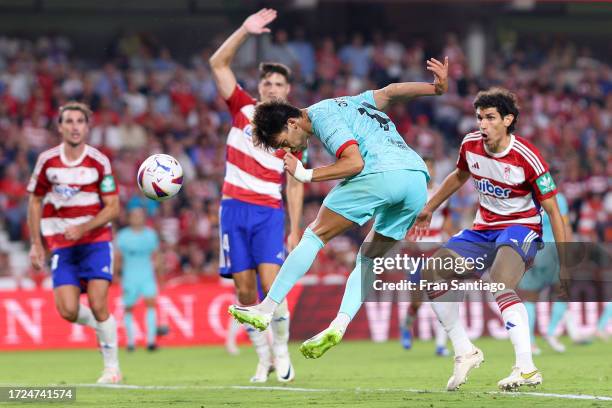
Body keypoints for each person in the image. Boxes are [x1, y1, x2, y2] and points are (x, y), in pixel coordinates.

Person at [229, 56, 450, 360]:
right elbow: (391, 91)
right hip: (415, 181)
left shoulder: (322, 117)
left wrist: (306, 174)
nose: (290, 148)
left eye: (285, 140)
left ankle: (266, 309)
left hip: (380, 173)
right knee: (369, 260)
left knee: (314, 235)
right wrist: (434, 89)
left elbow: (354, 163)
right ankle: (339, 324)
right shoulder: (351, 102)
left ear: (293, 122)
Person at [410, 87, 566, 391]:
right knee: (431, 274)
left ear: (508, 120)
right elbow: (458, 175)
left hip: (521, 228)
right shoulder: (470, 145)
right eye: (479, 117)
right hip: (483, 229)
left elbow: (554, 211)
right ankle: (465, 350)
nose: (482, 124)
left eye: (490, 118)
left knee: (499, 282)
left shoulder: (527, 157)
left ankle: (526, 368)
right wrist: (429, 208)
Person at [209, 8, 304, 383]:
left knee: (272, 286)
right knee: (245, 291)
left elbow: (295, 182)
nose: (272, 89)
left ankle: (281, 351)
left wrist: (295, 229)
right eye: (267, 84)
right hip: (233, 210)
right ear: (260, 87)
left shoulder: (295, 131)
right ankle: (262, 357)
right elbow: (218, 63)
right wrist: (244, 31)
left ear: (287, 91)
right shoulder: (242, 108)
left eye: (279, 85)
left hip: (267, 211)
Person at [27, 101, 121, 384]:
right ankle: (100, 327)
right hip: (62, 244)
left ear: (87, 127)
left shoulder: (98, 161)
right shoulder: (47, 161)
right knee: (67, 310)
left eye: (80, 121)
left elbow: (113, 207)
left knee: (98, 302)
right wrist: (36, 243)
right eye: (69, 121)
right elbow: (34, 201)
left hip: (95, 240)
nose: (74, 126)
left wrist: (84, 227)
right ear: (60, 127)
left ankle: (111, 369)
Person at [401, 157, 452, 356]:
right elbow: (402, 218)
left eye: (431, 167)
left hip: (436, 249)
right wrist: (407, 237)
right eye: (425, 168)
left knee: (440, 297)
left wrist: (449, 235)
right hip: (415, 253)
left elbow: (446, 216)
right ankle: (407, 326)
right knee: (417, 301)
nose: (429, 171)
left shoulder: (442, 191)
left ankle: (441, 345)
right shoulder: (411, 192)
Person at [518, 188, 576, 354]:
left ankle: (530, 341)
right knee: (563, 290)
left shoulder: (523, 197)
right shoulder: (558, 197)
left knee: (530, 296)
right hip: (552, 250)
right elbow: (565, 226)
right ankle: (550, 333)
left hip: (530, 249)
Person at [115, 205, 163, 352]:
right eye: (134, 216)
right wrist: (116, 275)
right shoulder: (122, 236)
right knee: (128, 309)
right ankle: (130, 342)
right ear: (129, 218)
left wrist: (160, 276)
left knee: (151, 305)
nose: (137, 218)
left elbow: (157, 256)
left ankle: (151, 341)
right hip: (129, 276)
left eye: (140, 215)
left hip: (147, 275)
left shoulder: (150, 235)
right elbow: (118, 258)